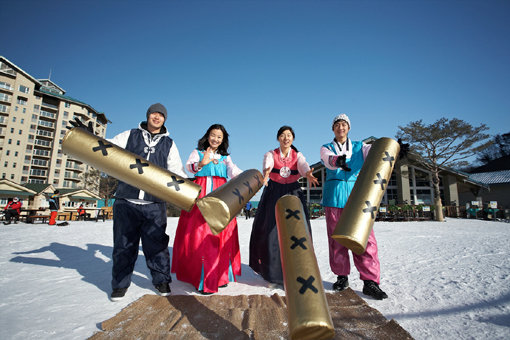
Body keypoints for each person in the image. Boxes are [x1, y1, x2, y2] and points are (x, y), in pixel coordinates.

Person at [107, 103, 187, 301]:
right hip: (126, 199)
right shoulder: (130, 135)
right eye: (154, 114)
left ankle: (161, 280)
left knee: (157, 245)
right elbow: (108, 147)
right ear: (148, 116)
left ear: (164, 119)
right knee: (124, 245)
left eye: (161, 115)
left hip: (154, 203)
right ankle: (119, 284)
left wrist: (188, 185)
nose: (157, 117)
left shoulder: (169, 143)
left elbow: (176, 170)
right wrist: (89, 137)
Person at [320, 113, 388, 300]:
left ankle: (370, 282)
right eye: (337, 125)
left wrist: (394, 153)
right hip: (334, 198)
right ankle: (342, 277)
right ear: (332, 129)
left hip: (358, 198)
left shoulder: (361, 147)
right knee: (337, 241)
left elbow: (377, 153)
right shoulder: (326, 147)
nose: (340, 127)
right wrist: (337, 161)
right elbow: (327, 159)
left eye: (344, 124)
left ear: (348, 128)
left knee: (365, 240)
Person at [171, 124, 243, 294]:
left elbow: (234, 172)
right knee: (201, 234)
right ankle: (202, 278)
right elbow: (188, 167)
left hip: (222, 194)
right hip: (201, 194)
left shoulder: (225, 157)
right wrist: (201, 163)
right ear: (207, 135)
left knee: (222, 234)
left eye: (219, 137)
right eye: (213, 135)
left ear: (223, 140)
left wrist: (253, 177)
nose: (215, 139)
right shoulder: (198, 152)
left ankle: (221, 275)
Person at [249, 126, 318, 285]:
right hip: (274, 193)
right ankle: (273, 274)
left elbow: (303, 165)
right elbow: (268, 163)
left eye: (289, 135)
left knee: (297, 232)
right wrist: (266, 171)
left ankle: (298, 270)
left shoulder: (297, 155)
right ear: (278, 138)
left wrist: (308, 173)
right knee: (272, 231)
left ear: (292, 138)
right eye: (282, 135)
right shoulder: (271, 154)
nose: (286, 138)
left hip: (293, 192)